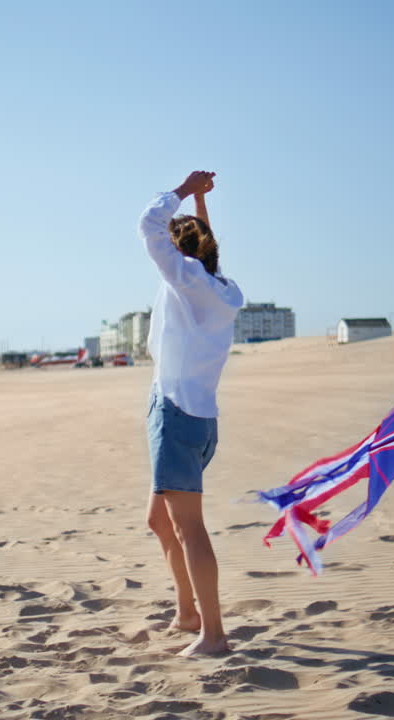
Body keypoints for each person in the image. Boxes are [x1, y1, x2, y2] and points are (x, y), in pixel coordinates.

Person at [140, 170, 244, 656]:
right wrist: (201, 204)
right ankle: (187, 614)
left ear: (179, 254)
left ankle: (214, 635)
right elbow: (210, 251)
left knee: (188, 527)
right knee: (160, 521)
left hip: (178, 416)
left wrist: (182, 190)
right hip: (197, 420)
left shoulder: (183, 280)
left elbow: (148, 224)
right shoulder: (219, 288)